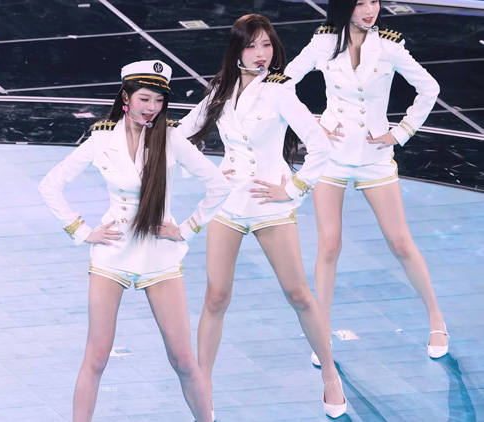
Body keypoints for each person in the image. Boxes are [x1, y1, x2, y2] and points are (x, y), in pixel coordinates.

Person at [38, 60, 229, 422]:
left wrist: (186, 228)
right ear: (125, 97)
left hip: (159, 257)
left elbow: (218, 185)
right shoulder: (102, 138)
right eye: (144, 98)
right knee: (96, 358)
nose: (152, 107)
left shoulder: (171, 138)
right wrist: (82, 230)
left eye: (158, 100)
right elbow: (50, 185)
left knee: (184, 360)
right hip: (112, 256)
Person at [177, 14, 347, 418]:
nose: (260, 54)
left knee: (299, 294)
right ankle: (204, 388)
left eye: (266, 45)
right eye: (252, 46)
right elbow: (179, 135)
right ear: (236, 50)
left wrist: (292, 189)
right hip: (228, 205)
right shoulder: (220, 88)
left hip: (271, 206)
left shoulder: (280, 89)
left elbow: (320, 146)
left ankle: (330, 375)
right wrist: (206, 173)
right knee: (216, 297)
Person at [284, 0, 448, 365]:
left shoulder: (389, 46)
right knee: (329, 245)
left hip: (375, 156)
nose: (369, 9)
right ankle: (322, 331)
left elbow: (429, 88)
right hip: (332, 156)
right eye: (360, 3)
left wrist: (401, 132)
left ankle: (437, 320)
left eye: (374, 1)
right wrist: (313, 125)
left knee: (401, 242)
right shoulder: (324, 42)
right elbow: (283, 83)